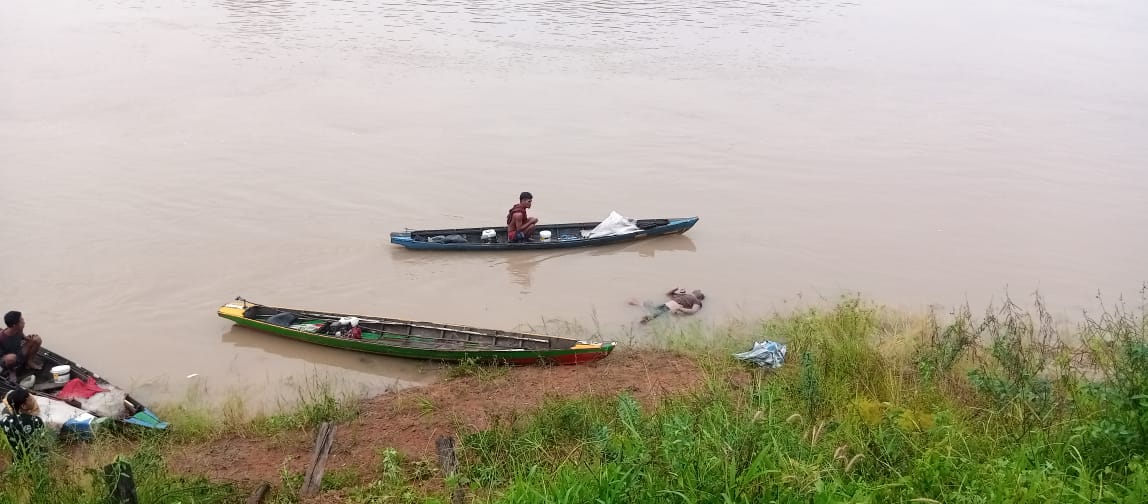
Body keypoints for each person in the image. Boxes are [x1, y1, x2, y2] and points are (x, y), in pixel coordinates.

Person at [0, 387, 47, 461]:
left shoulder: (5, 421)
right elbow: (42, 443)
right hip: (37, 460)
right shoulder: (36, 421)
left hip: (17, 462)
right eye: (30, 399)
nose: (33, 400)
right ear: (23, 406)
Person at [1, 311, 44, 381]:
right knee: (11, 358)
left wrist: (29, 338)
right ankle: (12, 371)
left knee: (37, 339)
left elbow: (22, 337)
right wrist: (8, 357)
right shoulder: (1, 338)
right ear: (14, 325)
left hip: (19, 353)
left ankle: (29, 362)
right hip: (7, 361)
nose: (24, 322)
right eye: (21, 321)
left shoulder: (19, 329)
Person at [639, 288, 706, 324]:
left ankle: (641, 306)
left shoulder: (685, 295)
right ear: (700, 298)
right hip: (672, 306)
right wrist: (681, 309)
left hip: (669, 303)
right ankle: (644, 320)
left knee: (655, 310)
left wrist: (673, 290)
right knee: (657, 313)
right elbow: (693, 311)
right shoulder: (696, 300)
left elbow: (668, 294)